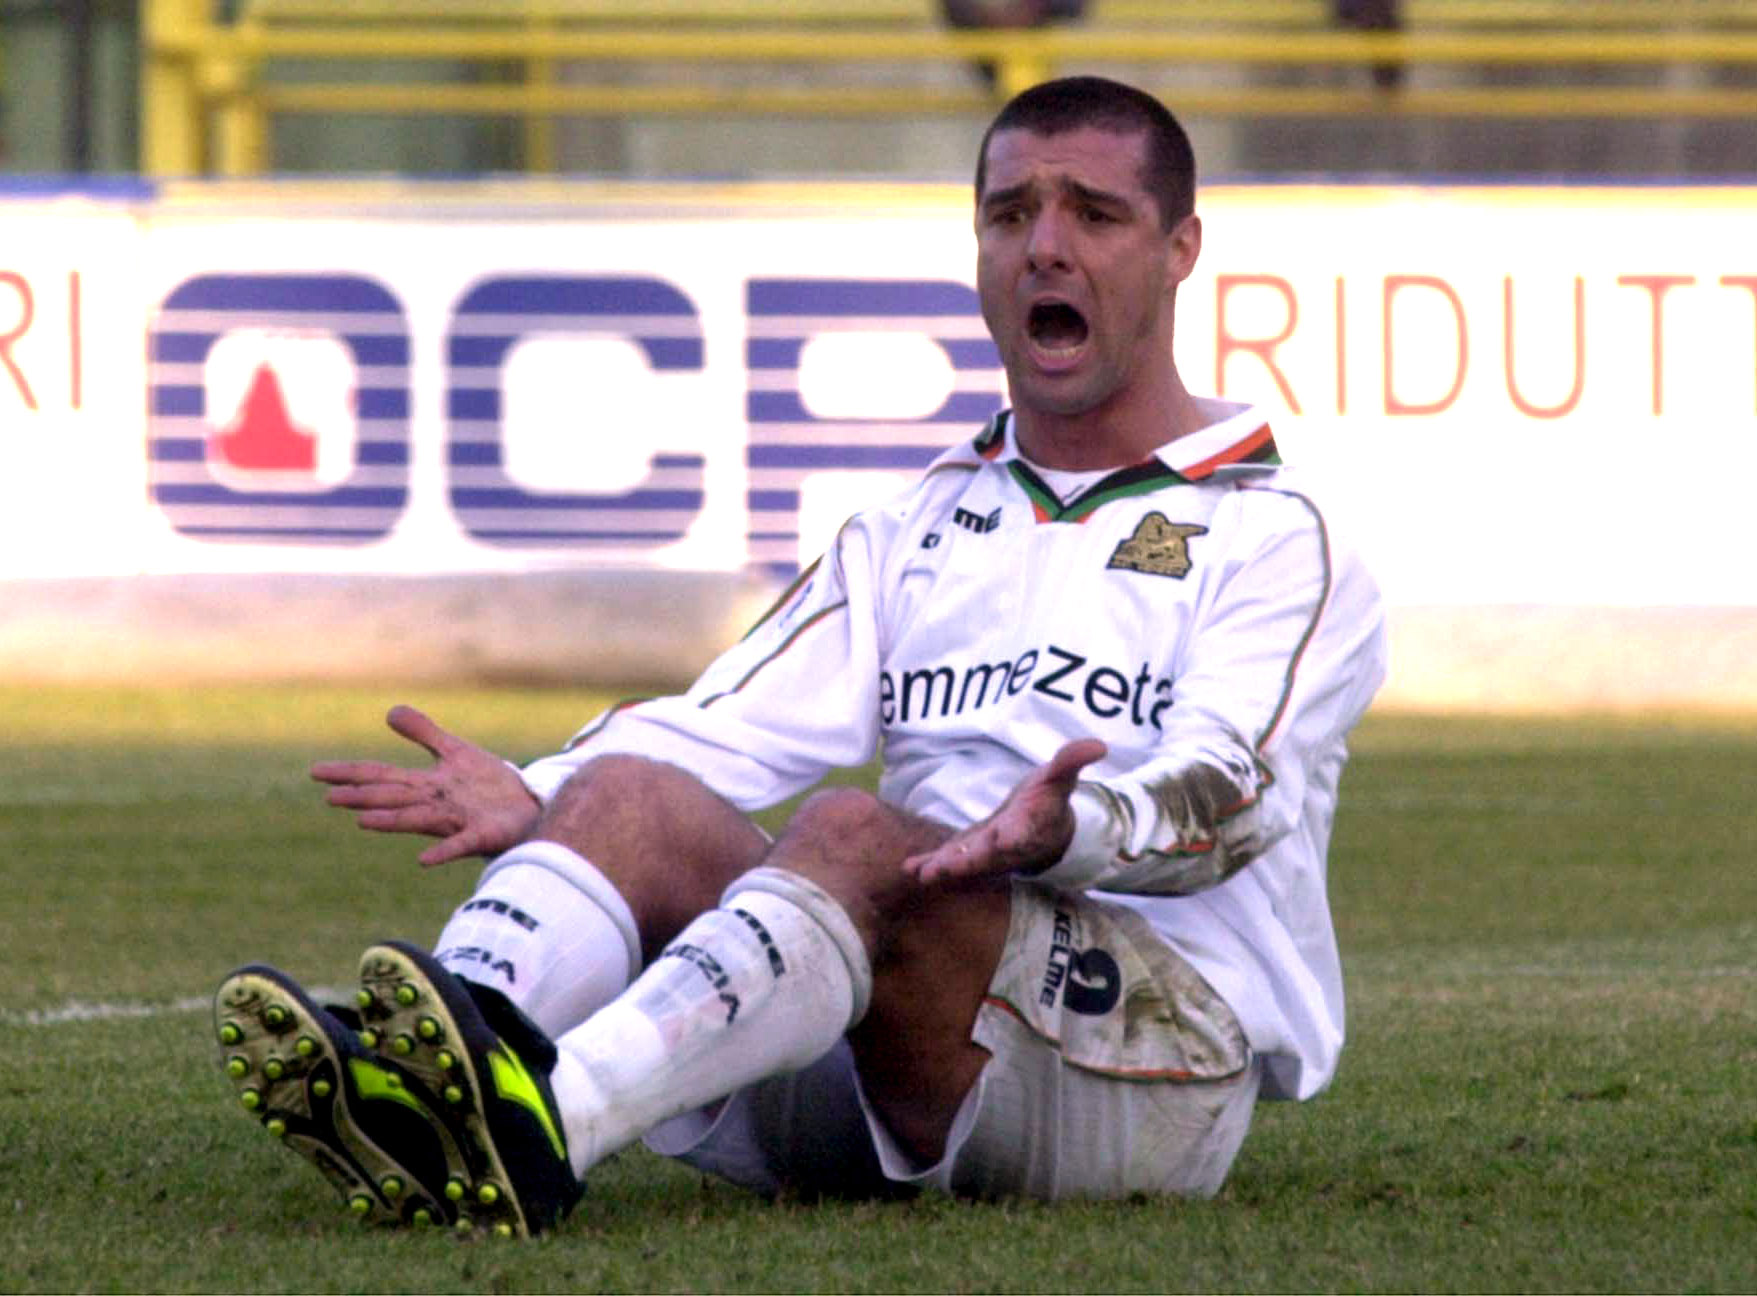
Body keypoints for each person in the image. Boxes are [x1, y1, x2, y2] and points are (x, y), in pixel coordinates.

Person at [213, 74, 1388, 1239]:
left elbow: (1232, 795)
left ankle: (542, 1127)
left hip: (1150, 1068)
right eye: (1008, 213)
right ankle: (429, 1075)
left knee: (848, 834)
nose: (1043, 247)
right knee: (630, 795)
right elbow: (727, 722)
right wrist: (543, 789)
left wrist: (1066, 831)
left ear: (1179, 248)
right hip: (907, 1031)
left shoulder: (1277, 533)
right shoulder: (914, 526)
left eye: (1092, 213)